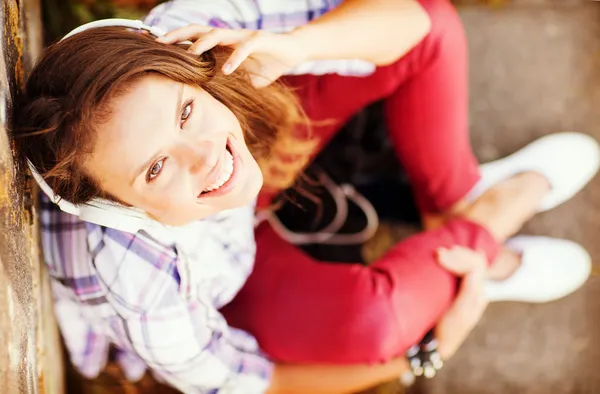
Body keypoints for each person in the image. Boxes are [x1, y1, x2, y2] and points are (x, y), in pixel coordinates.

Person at [14, 0, 598, 392]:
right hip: (230, 275)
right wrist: (425, 351)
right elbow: (249, 382)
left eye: (186, 109)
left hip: (260, 155)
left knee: (431, 27)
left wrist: (296, 46)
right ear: (120, 208)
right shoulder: (134, 274)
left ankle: (459, 212)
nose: (203, 154)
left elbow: (416, 24)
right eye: (156, 167)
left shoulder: (189, 32)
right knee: (373, 325)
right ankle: (490, 222)